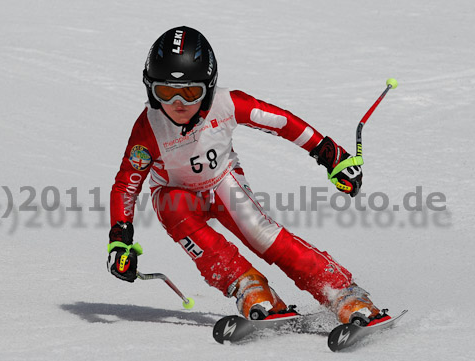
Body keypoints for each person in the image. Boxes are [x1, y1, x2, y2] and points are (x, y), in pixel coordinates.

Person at [107, 26, 390, 326]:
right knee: (170, 205)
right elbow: (127, 185)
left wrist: (328, 153)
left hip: (222, 182)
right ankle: (249, 286)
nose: (178, 103)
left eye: (191, 92)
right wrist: (120, 239)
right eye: (165, 91)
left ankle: (342, 291)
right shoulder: (148, 127)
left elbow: (282, 122)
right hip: (177, 195)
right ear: (151, 90)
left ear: (209, 88)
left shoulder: (227, 103)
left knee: (262, 234)